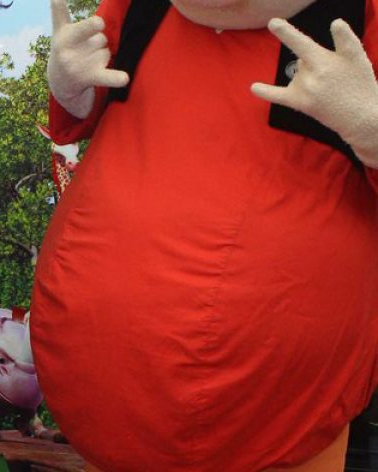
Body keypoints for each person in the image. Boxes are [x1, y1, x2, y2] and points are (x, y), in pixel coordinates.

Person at [33, 0, 378, 470]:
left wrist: (369, 127)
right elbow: (87, 103)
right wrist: (70, 87)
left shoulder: (361, 14)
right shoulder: (134, 7)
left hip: (283, 419)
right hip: (106, 400)